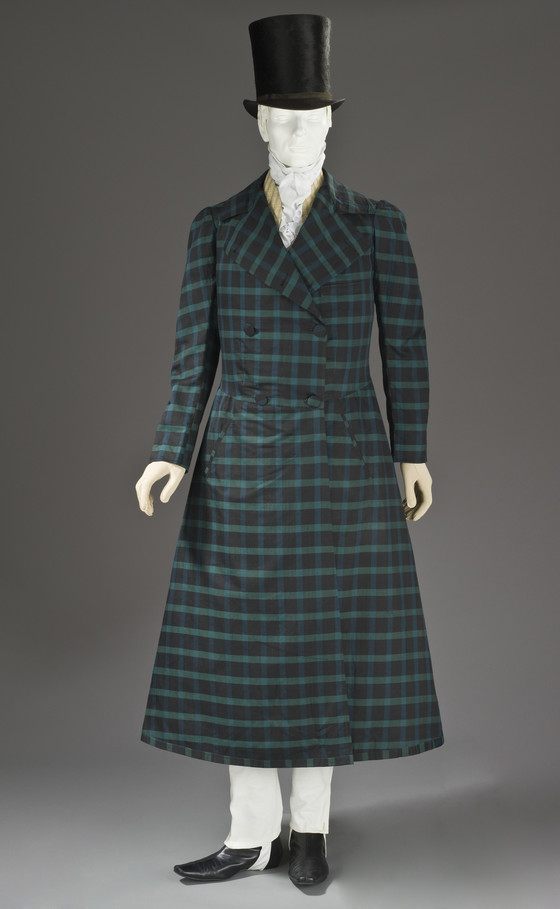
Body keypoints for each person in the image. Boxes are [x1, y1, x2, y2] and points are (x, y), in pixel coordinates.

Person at [135, 14, 444, 888]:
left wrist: (412, 451)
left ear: (331, 124)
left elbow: (405, 344)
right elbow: (193, 354)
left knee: (323, 643)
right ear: (260, 123)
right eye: (284, 116)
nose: (299, 132)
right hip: (241, 455)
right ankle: (250, 831)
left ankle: (309, 833)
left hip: (341, 456)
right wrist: (171, 450)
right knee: (244, 647)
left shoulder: (375, 224)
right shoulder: (217, 227)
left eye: (313, 117)